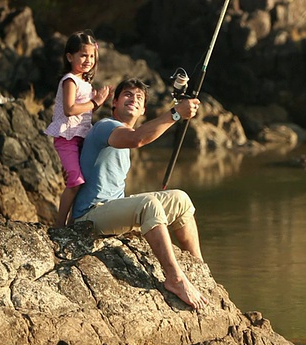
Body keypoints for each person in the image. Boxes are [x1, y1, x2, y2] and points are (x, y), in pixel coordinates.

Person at [72, 78, 207, 309]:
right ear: (114, 103)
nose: (133, 99)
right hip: (90, 216)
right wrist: (175, 114)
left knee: (181, 199)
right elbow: (138, 139)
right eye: (127, 95)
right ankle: (174, 278)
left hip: (112, 209)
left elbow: (139, 136)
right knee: (149, 203)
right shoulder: (106, 126)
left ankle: (200, 269)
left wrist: (175, 115)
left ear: (143, 110)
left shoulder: (124, 134)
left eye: (139, 98)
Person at [45, 30, 112, 227]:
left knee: (85, 181)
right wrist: (95, 103)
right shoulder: (70, 80)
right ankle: (59, 225)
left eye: (91, 56)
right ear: (69, 56)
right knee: (75, 181)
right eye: (83, 55)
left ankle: (76, 221)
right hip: (67, 137)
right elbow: (69, 109)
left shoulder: (85, 82)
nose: (88, 60)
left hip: (82, 137)